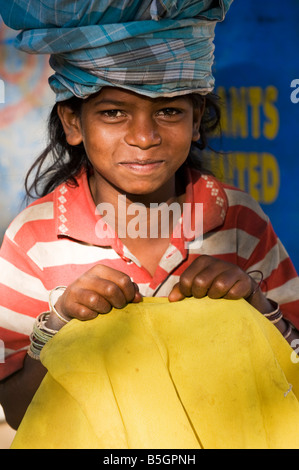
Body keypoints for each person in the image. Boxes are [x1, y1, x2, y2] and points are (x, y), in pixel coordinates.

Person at [1, 0, 299, 448]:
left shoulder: (237, 220)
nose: (144, 137)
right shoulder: (35, 238)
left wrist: (255, 303)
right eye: (113, 113)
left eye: (169, 112)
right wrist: (58, 325)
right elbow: (20, 411)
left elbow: (290, 380)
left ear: (197, 120)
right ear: (72, 122)